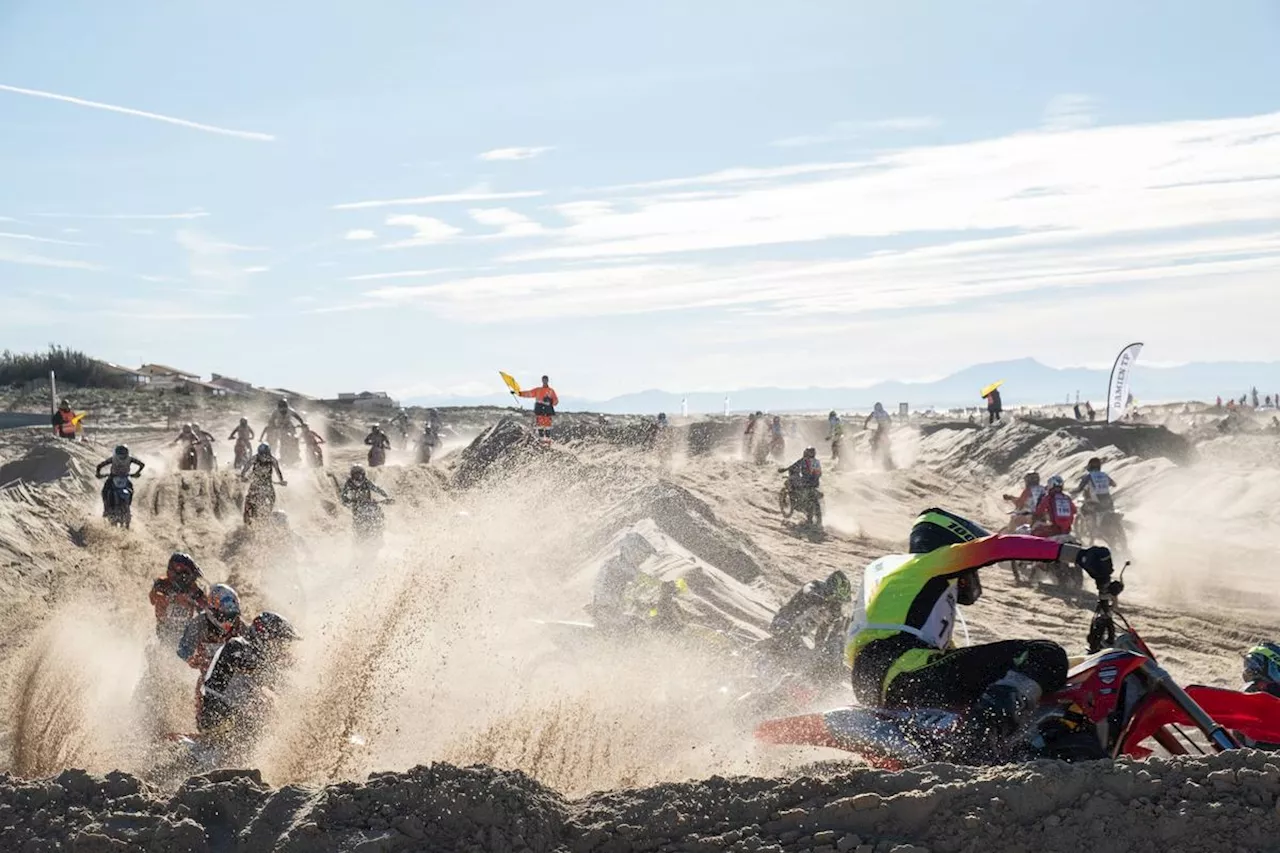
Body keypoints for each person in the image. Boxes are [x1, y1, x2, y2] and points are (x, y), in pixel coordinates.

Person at [846, 508, 1113, 740]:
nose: (972, 578)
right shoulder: (928, 562)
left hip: (876, 679)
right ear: (952, 545)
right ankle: (980, 735)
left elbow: (958, 662)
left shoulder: (895, 578)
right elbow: (999, 547)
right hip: (903, 668)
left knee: (1003, 675)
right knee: (1045, 654)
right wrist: (1077, 555)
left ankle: (977, 731)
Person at [196, 611, 301, 739]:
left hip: (229, 714)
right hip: (216, 715)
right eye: (278, 643)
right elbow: (255, 667)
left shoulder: (251, 652)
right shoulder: (237, 646)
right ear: (264, 636)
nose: (280, 649)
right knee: (267, 727)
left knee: (270, 709)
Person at [770, 571, 851, 668]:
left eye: (840, 602)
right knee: (799, 654)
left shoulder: (831, 609)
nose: (836, 604)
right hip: (783, 623)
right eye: (836, 600)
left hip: (797, 634)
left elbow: (823, 630)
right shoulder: (815, 586)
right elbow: (808, 591)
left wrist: (818, 650)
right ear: (830, 591)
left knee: (807, 659)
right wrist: (821, 600)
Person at [178, 583, 247, 671]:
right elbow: (183, 649)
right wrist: (192, 660)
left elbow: (252, 649)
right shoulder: (200, 622)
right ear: (213, 610)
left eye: (232, 617)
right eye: (224, 616)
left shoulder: (240, 625)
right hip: (207, 674)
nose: (228, 623)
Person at [149, 552, 209, 645]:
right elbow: (153, 598)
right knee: (151, 649)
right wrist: (174, 599)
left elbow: (206, 608)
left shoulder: (193, 589)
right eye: (186, 576)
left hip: (185, 634)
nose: (189, 581)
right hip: (162, 632)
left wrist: (195, 601)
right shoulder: (162, 584)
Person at [240, 443, 286, 524]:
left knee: (272, 498)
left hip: (267, 484)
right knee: (248, 500)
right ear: (259, 453)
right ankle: (246, 517)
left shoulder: (272, 460)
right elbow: (246, 467)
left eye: (266, 454)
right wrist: (242, 476)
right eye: (262, 455)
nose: (264, 457)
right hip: (256, 484)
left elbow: (278, 471)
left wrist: (281, 480)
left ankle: (267, 515)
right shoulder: (254, 458)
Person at [94, 445, 144, 513]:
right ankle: (127, 505)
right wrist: (136, 473)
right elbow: (141, 464)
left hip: (113, 478)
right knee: (131, 490)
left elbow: (99, 466)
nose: (122, 455)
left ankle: (106, 509)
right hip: (124, 478)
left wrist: (98, 474)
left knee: (105, 491)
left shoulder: (113, 458)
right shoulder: (130, 459)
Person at [515, 375, 559, 446]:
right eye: (543, 380)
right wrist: (519, 393)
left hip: (547, 411)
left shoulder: (551, 391)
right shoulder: (538, 390)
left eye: (545, 380)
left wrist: (550, 401)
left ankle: (548, 442)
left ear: (547, 380)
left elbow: (556, 401)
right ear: (542, 380)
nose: (544, 381)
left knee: (547, 427)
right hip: (539, 410)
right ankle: (541, 441)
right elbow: (529, 393)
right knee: (540, 426)